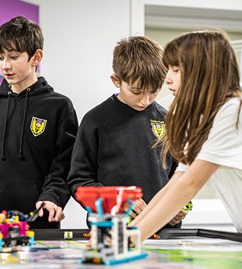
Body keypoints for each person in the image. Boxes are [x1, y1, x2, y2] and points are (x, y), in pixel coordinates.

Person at [130, 30, 242, 241]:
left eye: (176, 69)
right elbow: (174, 186)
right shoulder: (207, 122)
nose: (167, 79)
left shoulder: (236, 112)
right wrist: (124, 235)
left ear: (200, 72)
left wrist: (130, 241)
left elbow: (189, 186)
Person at [0, 16, 78, 228]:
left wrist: (53, 197)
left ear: (36, 57)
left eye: (13, 57)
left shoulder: (59, 106)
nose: (5, 66)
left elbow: (64, 164)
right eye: (0, 58)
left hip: (38, 220)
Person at [68, 36, 187, 228]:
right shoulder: (96, 120)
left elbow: (179, 175)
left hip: (162, 230)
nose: (145, 100)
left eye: (154, 92)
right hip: (111, 229)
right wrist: (115, 201)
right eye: (136, 91)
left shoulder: (168, 120)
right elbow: (78, 180)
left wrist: (178, 206)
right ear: (116, 80)